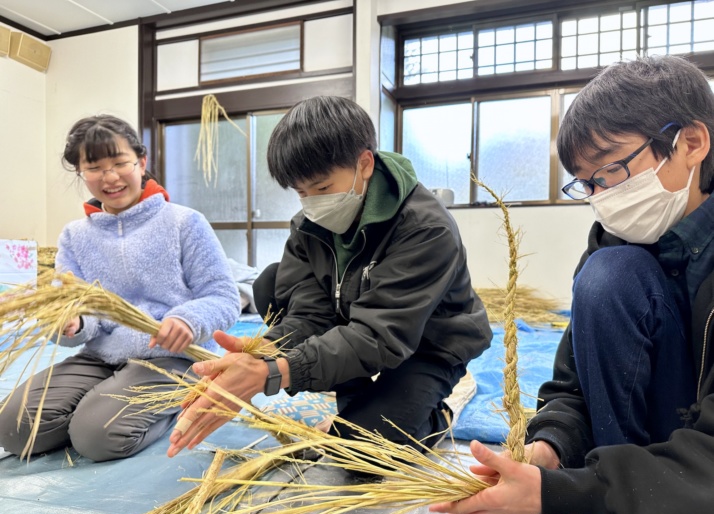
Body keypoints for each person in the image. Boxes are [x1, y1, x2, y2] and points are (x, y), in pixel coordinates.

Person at [429, 54, 714, 514]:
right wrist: (549, 452)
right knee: (608, 275)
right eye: (587, 183)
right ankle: (626, 505)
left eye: (611, 171)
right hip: (652, 455)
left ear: (691, 142)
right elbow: (575, 384)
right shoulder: (615, 238)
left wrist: (569, 494)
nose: (601, 196)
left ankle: (626, 506)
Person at [166, 95, 492, 463]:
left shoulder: (424, 228)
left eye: (321, 189)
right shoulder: (310, 225)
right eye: (301, 192)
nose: (311, 203)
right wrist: (266, 351)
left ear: (364, 164)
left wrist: (274, 373)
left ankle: (436, 411)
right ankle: (359, 404)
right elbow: (310, 312)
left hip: (427, 343)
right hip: (359, 326)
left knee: (365, 454)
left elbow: (379, 336)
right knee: (270, 284)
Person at [0, 115, 241, 462]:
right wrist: (73, 323)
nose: (110, 177)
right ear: (81, 173)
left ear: (141, 162)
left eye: (119, 163)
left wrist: (187, 320)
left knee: (97, 437)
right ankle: (94, 408)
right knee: (14, 427)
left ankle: (174, 404)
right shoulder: (75, 236)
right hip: (101, 356)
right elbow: (79, 309)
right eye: (95, 167)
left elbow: (222, 295)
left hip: (170, 358)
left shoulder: (184, 222)